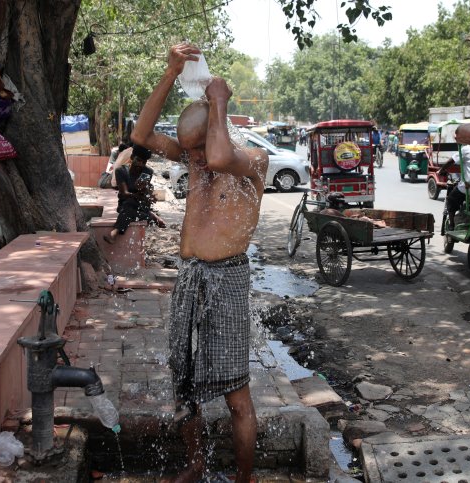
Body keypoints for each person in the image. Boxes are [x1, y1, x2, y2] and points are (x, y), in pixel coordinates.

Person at [131, 43, 268, 483]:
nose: (191, 160)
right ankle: (196, 463)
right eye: (186, 152)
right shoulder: (196, 157)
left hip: (226, 279)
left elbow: (219, 157)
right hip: (190, 276)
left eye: (194, 150)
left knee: (235, 394)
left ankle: (243, 480)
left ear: (215, 129)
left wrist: (219, 101)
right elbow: (141, 134)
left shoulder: (251, 162)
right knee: (183, 380)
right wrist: (171, 72)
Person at [102, 144, 166, 244]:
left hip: (141, 204)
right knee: (129, 203)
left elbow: (145, 193)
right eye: (138, 160)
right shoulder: (121, 171)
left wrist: (146, 191)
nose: (140, 164)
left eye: (144, 162)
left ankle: (114, 232)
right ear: (132, 158)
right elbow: (124, 193)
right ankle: (150, 216)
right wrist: (138, 195)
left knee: (132, 205)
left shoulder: (148, 171)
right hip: (125, 203)